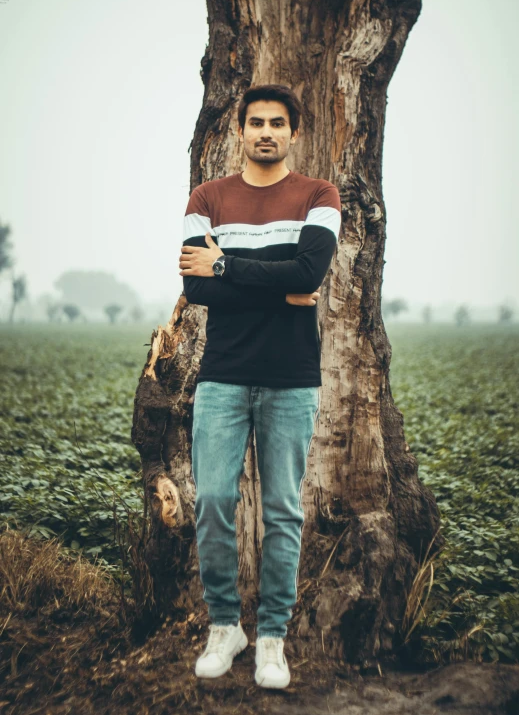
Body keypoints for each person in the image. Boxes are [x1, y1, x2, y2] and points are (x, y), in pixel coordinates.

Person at [179, 84, 341, 689]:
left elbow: (310, 270)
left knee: (282, 512)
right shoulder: (208, 198)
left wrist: (226, 265)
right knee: (214, 501)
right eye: (255, 123)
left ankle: (271, 637)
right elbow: (197, 290)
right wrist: (277, 285)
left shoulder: (319, 196)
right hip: (222, 374)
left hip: (290, 379)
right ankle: (226, 625)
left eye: (278, 122)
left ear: (294, 132)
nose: (266, 131)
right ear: (239, 131)